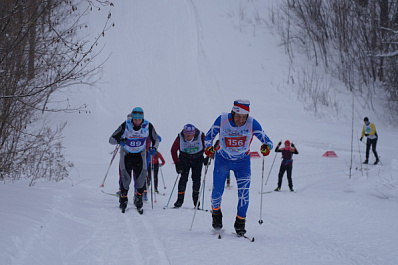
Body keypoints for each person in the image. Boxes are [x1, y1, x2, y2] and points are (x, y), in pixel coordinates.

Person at [204, 99, 273, 236]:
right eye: (238, 116)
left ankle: (240, 223)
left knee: (243, 193)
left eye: (244, 117)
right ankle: (216, 215)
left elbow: (268, 141)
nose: (241, 120)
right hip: (222, 160)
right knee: (217, 191)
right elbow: (208, 138)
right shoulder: (223, 119)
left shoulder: (252, 123)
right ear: (232, 113)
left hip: (243, 163)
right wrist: (208, 148)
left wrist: (266, 147)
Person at [109, 107, 160, 213]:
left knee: (141, 179)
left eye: (139, 120)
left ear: (142, 118)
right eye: (135, 120)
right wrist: (120, 140)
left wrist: (154, 148)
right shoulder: (125, 125)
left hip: (140, 154)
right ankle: (123, 200)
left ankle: (138, 200)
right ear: (132, 118)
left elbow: (156, 139)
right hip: (126, 154)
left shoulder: (148, 126)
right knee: (126, 178)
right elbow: (111, 139)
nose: (137, 122)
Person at [171, 124, 205, 208]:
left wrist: (208, 157)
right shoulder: (180, 137)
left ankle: (196, 200)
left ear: (193, 134)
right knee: (183, 179)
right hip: (184, 158)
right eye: (186, 135)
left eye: (189, 135)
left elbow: (208, 146)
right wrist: (177, 163)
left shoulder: (201, 136)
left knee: (196, 179)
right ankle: (180, 200)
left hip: (198, 158)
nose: (187, 137)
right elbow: (173, 150)